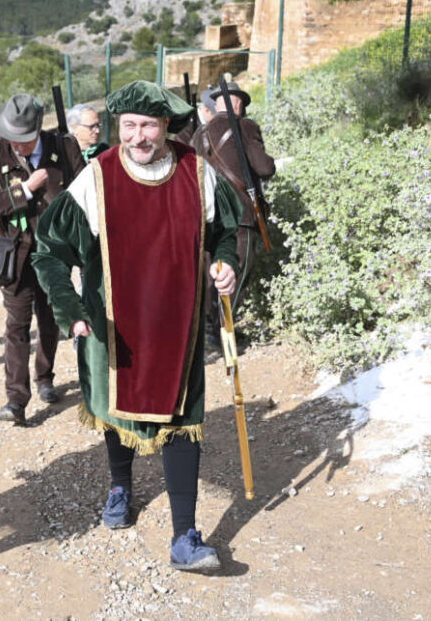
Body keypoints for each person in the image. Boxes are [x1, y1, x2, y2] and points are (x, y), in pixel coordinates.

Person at [32, 80, 241, 571]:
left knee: (182, 419)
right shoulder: (95, 177)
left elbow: (229, 230)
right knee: (117, 409)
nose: (139, 136)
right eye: (129, 126)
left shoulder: (196, 172)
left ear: (166, 126)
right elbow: (49, 251)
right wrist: (69, 306)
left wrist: (226, 262)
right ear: (116, 128)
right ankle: (121, 487)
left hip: (179, 325)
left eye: (149, 125)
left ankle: (185, 535)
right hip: (112, 323)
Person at [0, 93, 86, 425]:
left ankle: (45, 378)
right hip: (15, 254)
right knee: (17, 325)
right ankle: (16, 399)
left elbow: (84, 194)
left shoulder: (64, 147)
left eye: (24, 140)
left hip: (54, 253)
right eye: (12, 138)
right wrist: (25, 189)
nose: (17, 145)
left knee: (51, 320)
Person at [192, 80, 275, 337]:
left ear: (217, 104)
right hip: (241, 213)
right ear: (238, 103)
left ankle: (208, 323)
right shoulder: (246, 127)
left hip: (207, 214)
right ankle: (222, 327)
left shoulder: (200, 134)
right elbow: (264, 168)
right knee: (239, 267)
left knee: (211, 269)